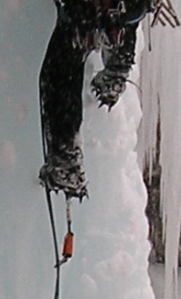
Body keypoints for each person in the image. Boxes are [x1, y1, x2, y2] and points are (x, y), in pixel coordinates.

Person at [38, 0, 154, 200]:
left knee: (68, 58)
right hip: (89, 13)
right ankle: (65, 158)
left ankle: (65, 158)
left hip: (96, 13)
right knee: (68, 55)